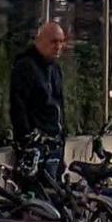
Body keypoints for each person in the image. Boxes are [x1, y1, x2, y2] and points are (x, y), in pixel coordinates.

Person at [7, 16, 69, 183]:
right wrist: (26, 140)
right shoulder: (26, 66)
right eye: (54, 42)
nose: (58, 47)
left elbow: (59, 105)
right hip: (36, 145)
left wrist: (62, 137)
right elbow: (18, 106)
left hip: (55, 144)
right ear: (39, 41)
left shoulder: (55, 68)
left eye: (61, 42)